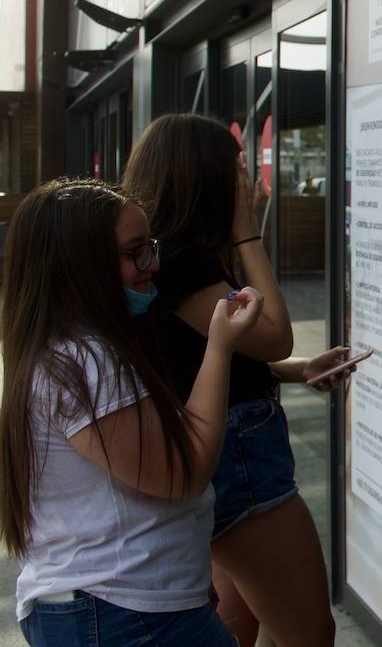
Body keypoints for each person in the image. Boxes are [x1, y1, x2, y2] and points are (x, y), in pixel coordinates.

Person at [0, 178, 263, 645]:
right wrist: (220, 346)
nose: (152, 264)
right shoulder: (83, 360)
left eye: (150, 247)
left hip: (123, 605)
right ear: (78, 265)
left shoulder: (68, 350)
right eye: (134, 252)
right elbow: (184, 471)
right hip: (125, 610)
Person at [123, 114, 343, 647]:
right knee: (309, 632)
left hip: (221, 450)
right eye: (235, 171)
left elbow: (207, 356)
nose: (244, 183)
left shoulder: (159, 260)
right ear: (205, 178)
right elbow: (274, 335)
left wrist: (297, 371)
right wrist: (246, 233)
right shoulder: (180, 263)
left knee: (241, 626)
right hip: (239, 459)